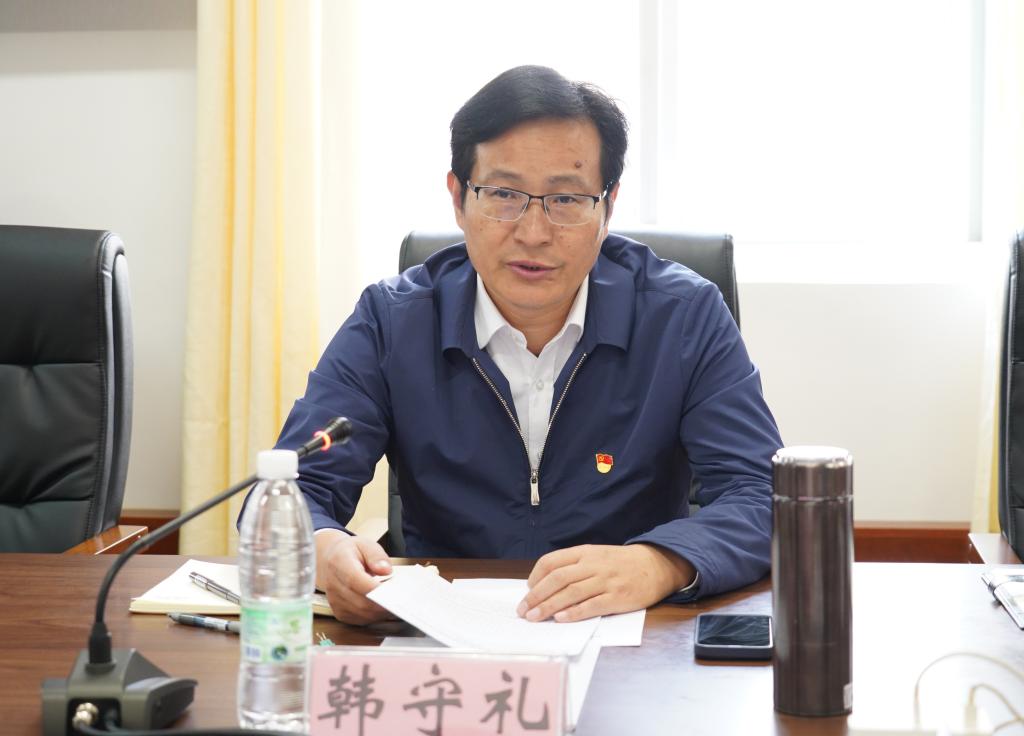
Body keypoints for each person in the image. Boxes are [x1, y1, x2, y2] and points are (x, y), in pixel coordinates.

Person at [267, 65, 782, 625]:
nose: (533, 233)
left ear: (607, 208)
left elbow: (763, 495)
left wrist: (659, 564)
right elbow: (288, 493)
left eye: (566, 200)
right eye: (503, 194)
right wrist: (324, 554)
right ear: (458, 198)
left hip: (631, 636)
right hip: (444, 640)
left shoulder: (682, 316)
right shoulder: (392, 322)